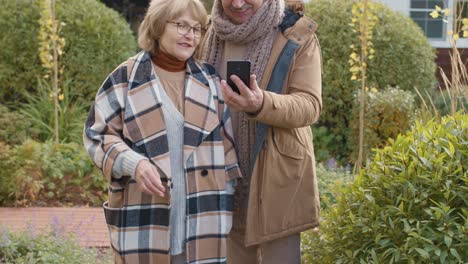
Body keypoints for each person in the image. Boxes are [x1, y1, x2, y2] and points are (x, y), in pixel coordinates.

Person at [83, 0, 241, 263]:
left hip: (204, 224)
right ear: (157, 26)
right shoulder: (126, 78)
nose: (190, 35)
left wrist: (227, 193)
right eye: (181, 25)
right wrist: (135, 164)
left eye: (197, 28)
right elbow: (97, 136)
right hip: (145, 223)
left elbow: (227, 154)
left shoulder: (211, 80)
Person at [200, 0, 322, 263]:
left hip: (276, 182)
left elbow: (310, 105)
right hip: (222, 180)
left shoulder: (295, 33)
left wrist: (262, 103)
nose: (237, 3)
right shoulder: (206, 32)